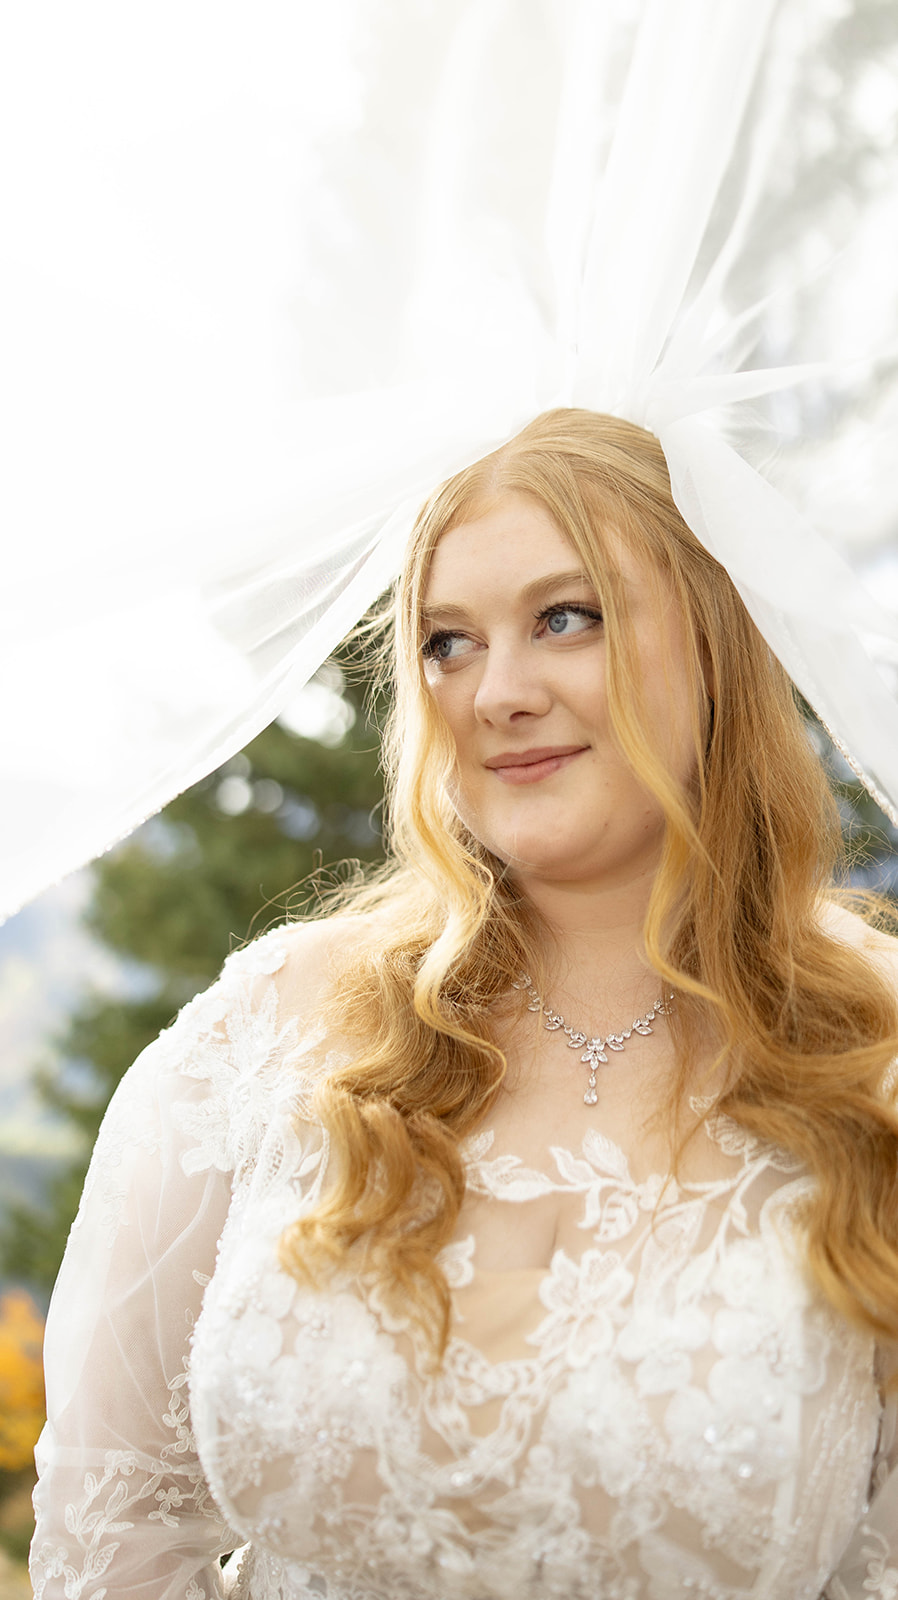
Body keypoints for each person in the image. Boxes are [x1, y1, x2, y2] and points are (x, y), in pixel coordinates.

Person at [29, 409, 898, 1600]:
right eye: (447, 642)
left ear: (714, 634)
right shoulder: (272, 1033)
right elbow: (108, 1529)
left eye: (565, 617)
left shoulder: (874, 1062)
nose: (497, 691)